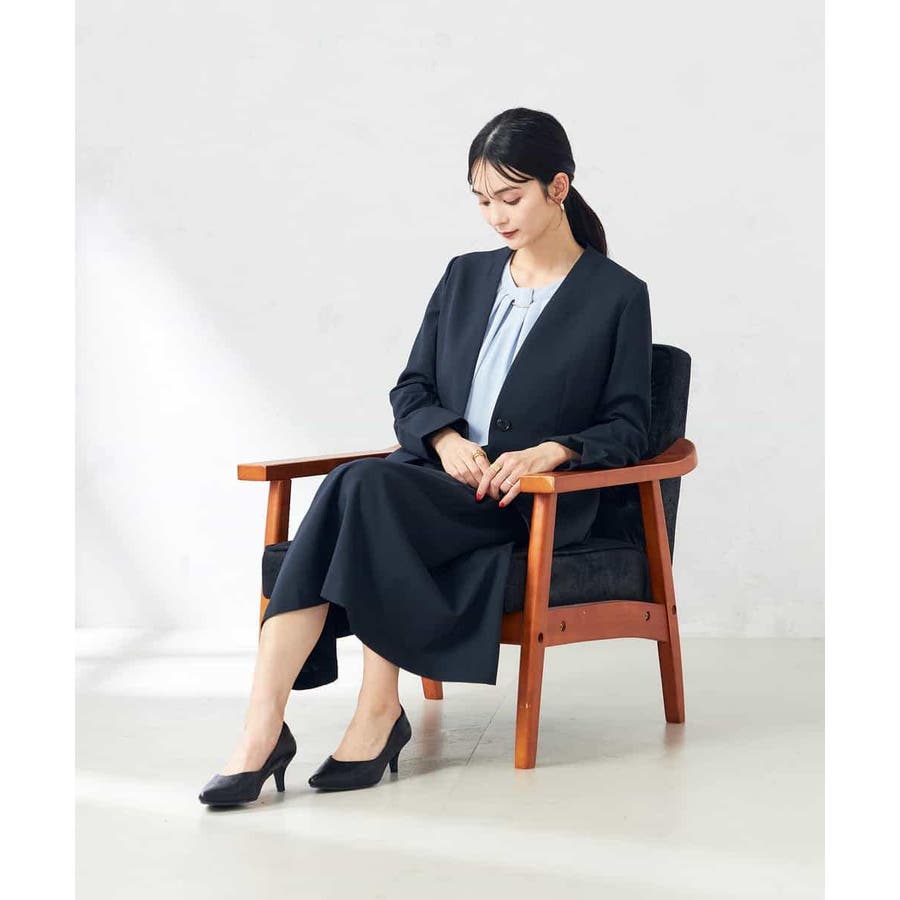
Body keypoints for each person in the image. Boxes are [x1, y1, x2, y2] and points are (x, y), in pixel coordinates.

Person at [198, 107, 653, 804]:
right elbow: (411, 389)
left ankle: (308, 727)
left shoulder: (615, 296)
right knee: (362, 487)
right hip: (433, 479)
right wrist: (444, 438)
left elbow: (630, 425)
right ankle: (289, 725)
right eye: (482, 201)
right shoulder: (464, 277)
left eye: (510, 198)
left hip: (519, 500)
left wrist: (551, 451)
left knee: (359, 486)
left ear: (558, 187)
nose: (495, 216)